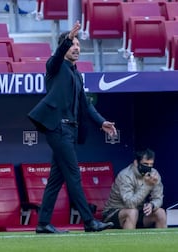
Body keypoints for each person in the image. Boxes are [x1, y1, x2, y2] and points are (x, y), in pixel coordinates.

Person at [28, 21, 118, 234]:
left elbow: (86, 104)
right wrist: (68, 37)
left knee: (56, 178)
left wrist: (101, 121)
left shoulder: (76, 73)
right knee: (73, 174)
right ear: (64, 47)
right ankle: (89, 221)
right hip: (57, 128)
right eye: (72, 44)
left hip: (70, 129)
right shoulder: (55, 66)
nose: (77, 48)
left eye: (78, 44)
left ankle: (43, 223)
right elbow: (57, 55)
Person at [102, 148, 167, 229]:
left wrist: (152, 205)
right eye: (145, 164)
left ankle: (160, 241)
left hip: (138, 211)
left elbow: (158, 198)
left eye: (151, 164)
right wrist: (147, 186)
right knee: (132, 212)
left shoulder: (154, 174)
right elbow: (130, 204)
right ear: (136, 162)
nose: (148, 167)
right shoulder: (125, 175)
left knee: (160, 213)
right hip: (114, 213)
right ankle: (129, 241)